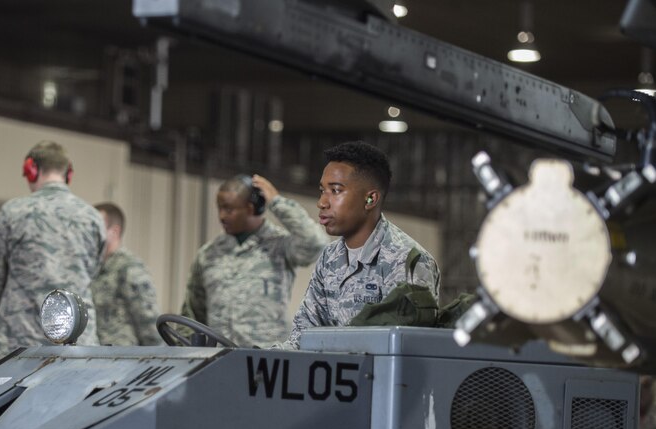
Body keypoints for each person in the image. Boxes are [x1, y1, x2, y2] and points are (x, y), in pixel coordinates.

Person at [280, 141, 440, 349]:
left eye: (335, 191)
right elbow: (303, 336)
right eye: (322, 191)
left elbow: (407, 351)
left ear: (370, 199)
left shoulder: (406, 260)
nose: (322, 202)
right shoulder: (330, 257)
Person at [0, 140, 105, 367]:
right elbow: (94, 274)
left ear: (31, 170)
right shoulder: (93, 218)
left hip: (18, 346)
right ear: (69, 174)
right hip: (77, 349)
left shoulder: (13, 212)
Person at [182, 174, 328, 347]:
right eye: (219, 208)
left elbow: (316, 243)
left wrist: (277, 202)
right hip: (218, 361)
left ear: (251, 208)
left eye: (229, 209)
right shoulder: (208, 254)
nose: (221, 216)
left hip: (267, 362)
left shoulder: (279, 245)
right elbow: (192, 312)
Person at [90, 203, 161, 346]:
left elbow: (148, 322)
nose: (91, 233)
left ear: (114, 232)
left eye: (97, 227)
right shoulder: (92, 267)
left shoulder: (130, 267)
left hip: (123, 358)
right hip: (95, 356)